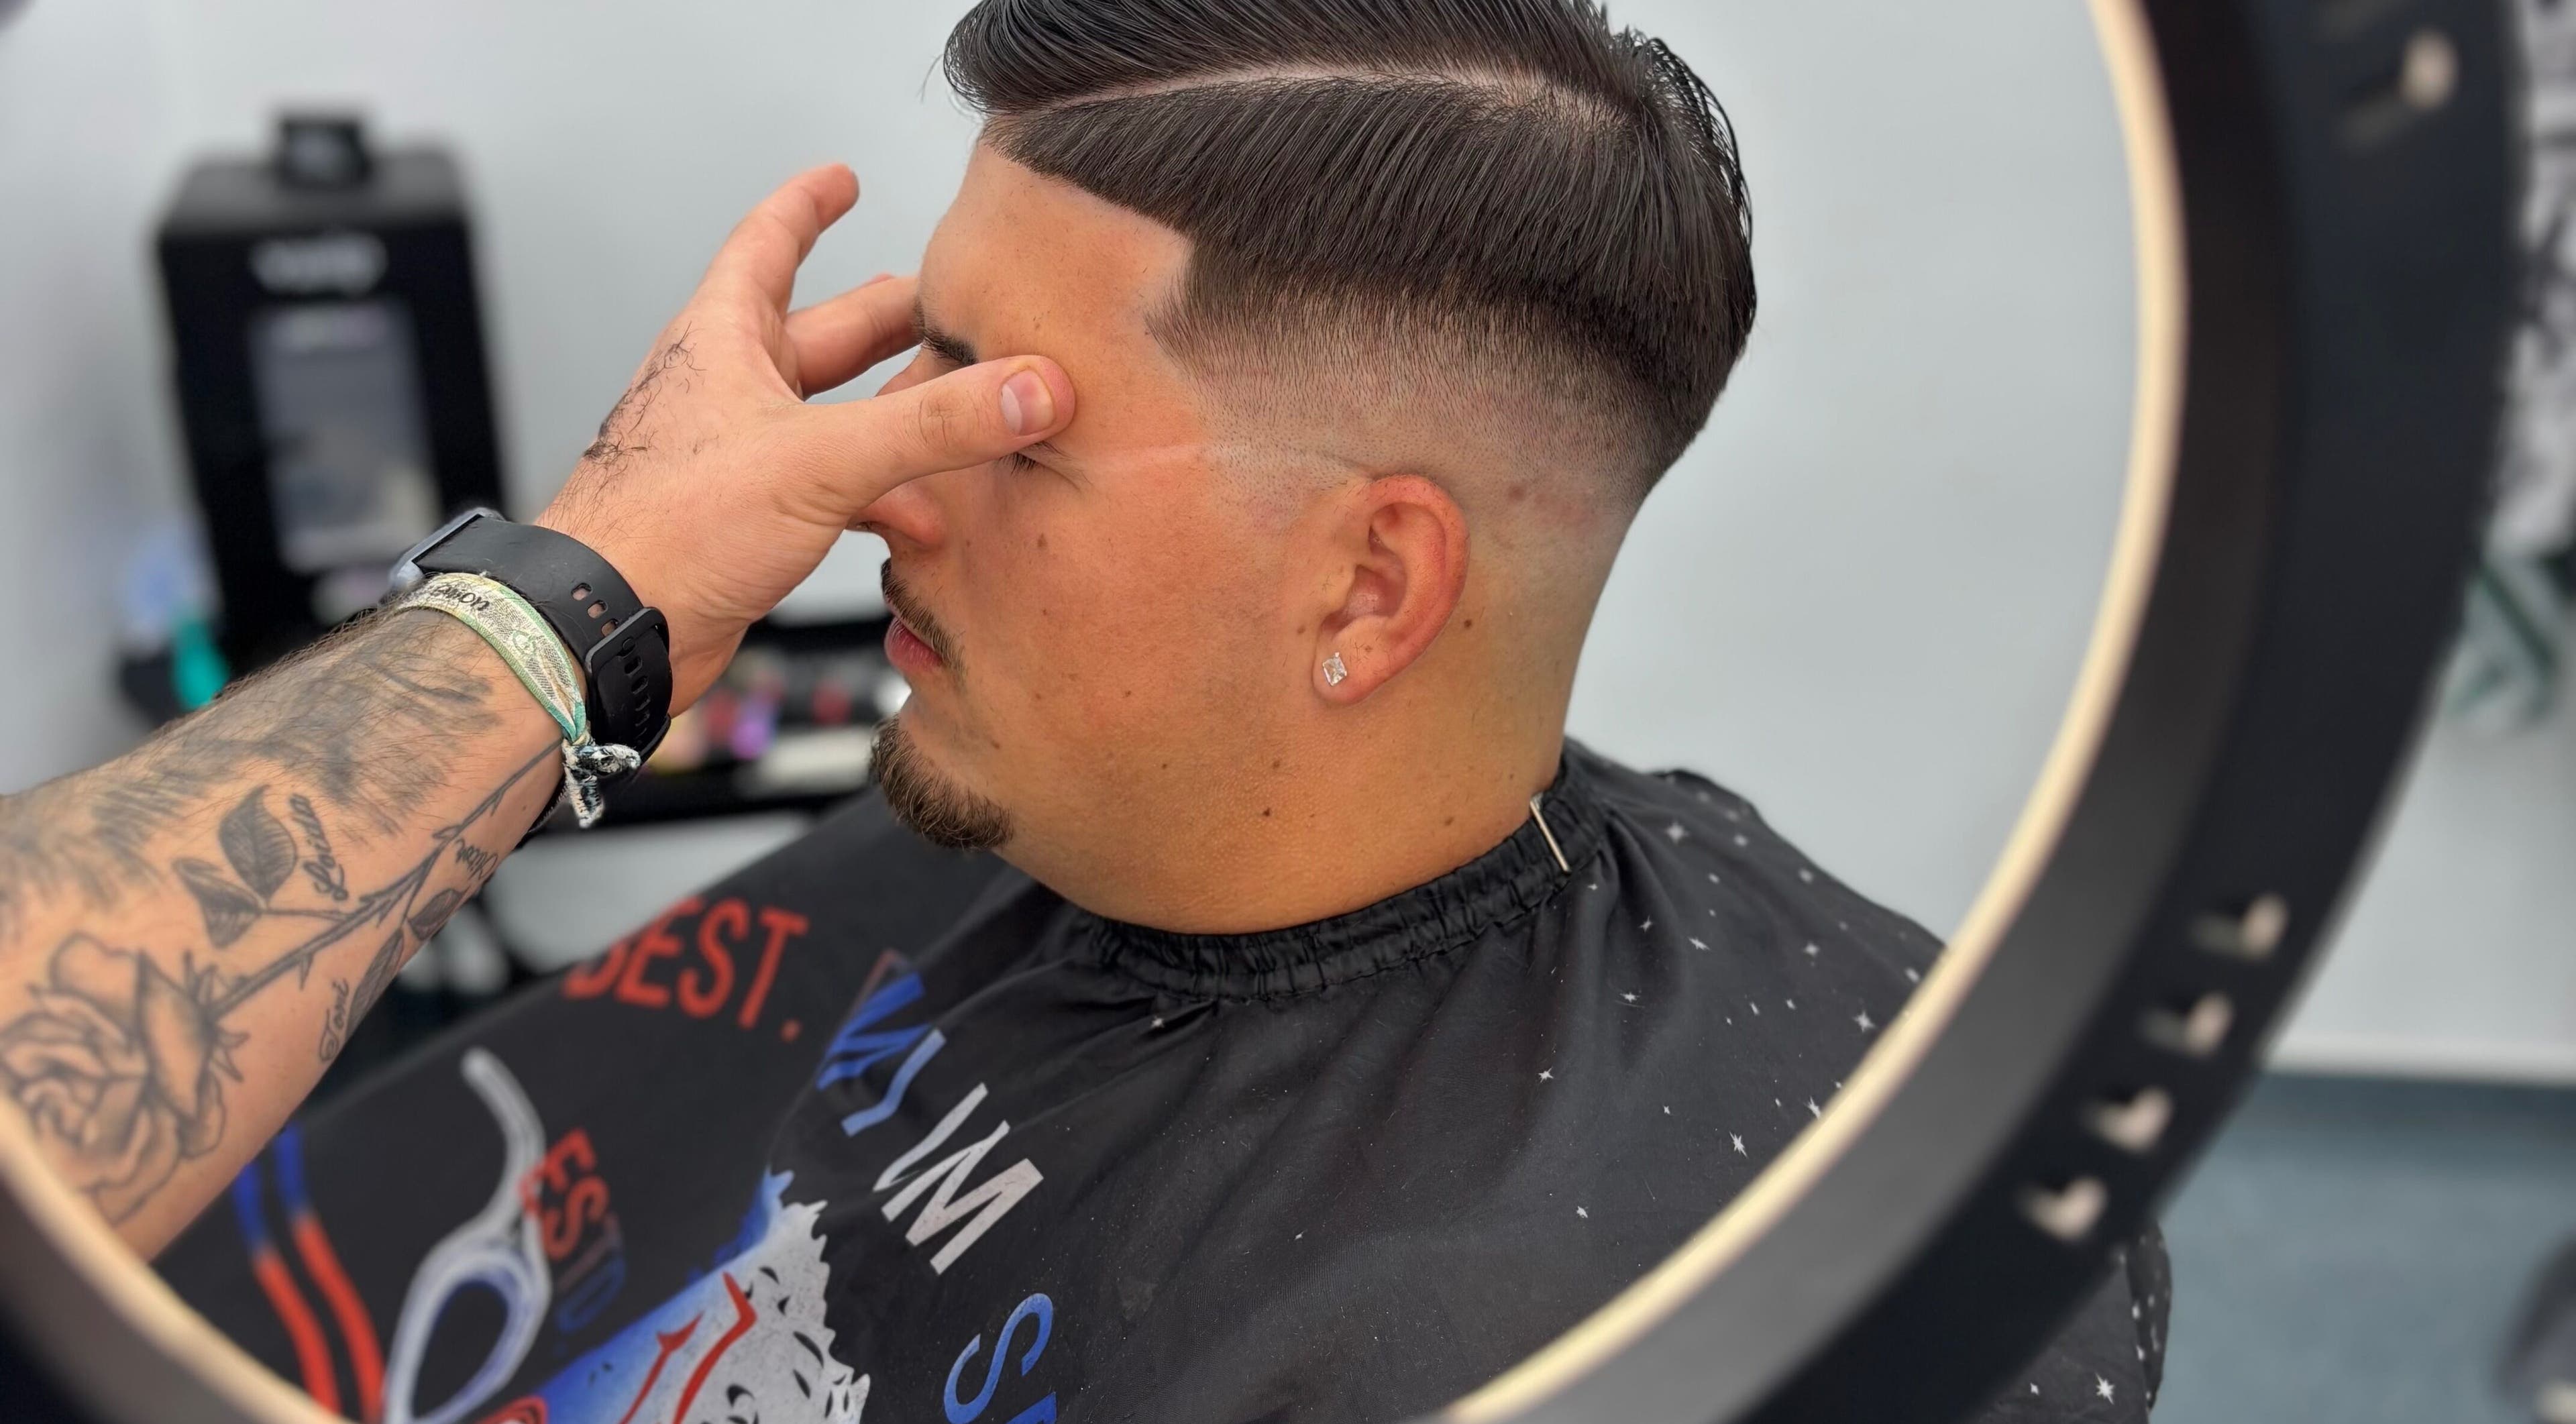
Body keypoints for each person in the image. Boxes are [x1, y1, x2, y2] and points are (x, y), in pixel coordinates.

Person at [0, 0, 2166, 1420]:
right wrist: (567, 607)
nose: (877, 490)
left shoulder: (1747, 1269)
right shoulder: (1025, 800)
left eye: (1008, 423)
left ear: (1370, 583)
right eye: (917, 374)